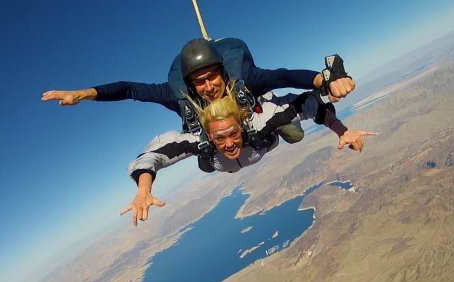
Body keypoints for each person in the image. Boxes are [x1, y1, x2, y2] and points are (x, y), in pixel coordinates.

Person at [121, 86, 375, 226]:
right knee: (206, 163)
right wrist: (144, 189)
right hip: (219, 158)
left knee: (294, 133)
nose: (229, 143)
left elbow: (306, 103)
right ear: (209, 136)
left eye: (233, 133)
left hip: (263, 140)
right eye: (219, 137)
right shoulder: (200, 142)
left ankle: (262, 101)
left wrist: (340, 129)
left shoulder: (258, 126)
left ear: (241, 127)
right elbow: (150, 156)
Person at [41, 38, 356, 143]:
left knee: (292, 133)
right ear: (190, 84)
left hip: (253, 119)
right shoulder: (180, 98)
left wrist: (324, 80)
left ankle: (277, 124)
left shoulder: (243, 78)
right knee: (207, 156)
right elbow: (131, 89)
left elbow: (283, 76)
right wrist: (84, 94)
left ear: (222, 72)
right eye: (199, 82)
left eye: (212, 77)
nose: (208, 86)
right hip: (220, 138)